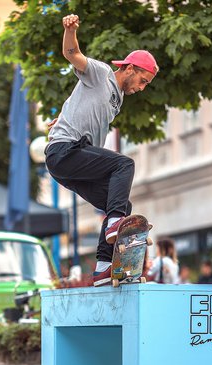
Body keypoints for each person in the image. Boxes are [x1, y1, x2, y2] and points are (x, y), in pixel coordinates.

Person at [45, 13, 158, 287]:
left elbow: (80, 102)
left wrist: (63, 116)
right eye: (142, 80)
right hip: (65, 150)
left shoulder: (117, 99)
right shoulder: (102, 73)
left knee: (119, 203)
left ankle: (103, 267)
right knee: (124, 165)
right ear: (129, 68)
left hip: (71, 166)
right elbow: (72, 53)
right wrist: (70, 30)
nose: (141, 88)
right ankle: (113, 224)